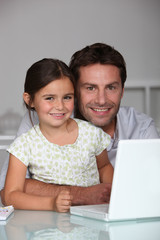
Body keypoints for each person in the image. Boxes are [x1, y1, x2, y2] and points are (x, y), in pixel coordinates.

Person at [1, 42, 159, 205]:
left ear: (122, 90)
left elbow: (154, 189)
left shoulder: (141, 128)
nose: (101, 100)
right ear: (76, 90)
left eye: (111, 87)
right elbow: (9, 190)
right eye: (90, 88)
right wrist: (79, 195)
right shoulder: (38, 122)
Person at [4, 58, 113, 212]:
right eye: (50, 98)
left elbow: (104, 166)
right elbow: (10, 195)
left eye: (67, 97)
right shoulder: (24, 145)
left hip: (92, 221)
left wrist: (115, 196)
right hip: (49, 227)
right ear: (30, 100)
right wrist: (50, 204)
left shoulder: (91, 133)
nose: (60, 106)